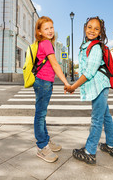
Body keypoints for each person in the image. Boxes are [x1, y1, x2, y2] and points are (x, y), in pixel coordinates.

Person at [65, 16, 113, 165]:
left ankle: (90, 152)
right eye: (90, 27)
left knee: (96, 119)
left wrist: (73, 87)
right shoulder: (87, 45)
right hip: (99, 87)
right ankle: (111, 145)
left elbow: (89, 72)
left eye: (96, 29)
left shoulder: (95, 47)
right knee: (105, 116)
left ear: (101, 32)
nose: (92, 30)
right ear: (85, 28)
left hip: (100, 87)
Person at [33, 16, 70, 163]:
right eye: (46, 28)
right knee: (40, 114)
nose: (50, 31)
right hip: (43, 82)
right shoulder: (46, 43)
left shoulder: (44, 43)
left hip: (44, 82)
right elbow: (55, 64)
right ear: (40, 32)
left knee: (42, 113)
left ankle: (46, 140)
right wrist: (66, 83)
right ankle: (42, 147)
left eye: (51, 27)